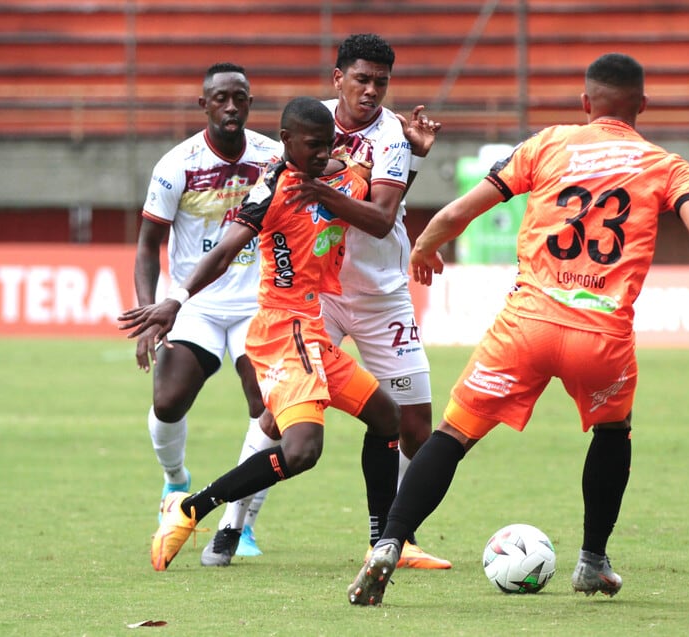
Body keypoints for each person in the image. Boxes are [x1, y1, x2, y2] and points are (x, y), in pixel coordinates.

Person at [348, 52, 689, 605]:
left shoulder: (548, 143)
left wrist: (426, 244)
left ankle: (389, 544)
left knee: (451, 436)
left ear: (584, 103)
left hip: (526, 326)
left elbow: (458, 213)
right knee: (613, 432)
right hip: (601, 336)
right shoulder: (668, 165)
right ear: (642, 105)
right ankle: (592, 562)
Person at [119, 96, 403, 572]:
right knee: (303, 450)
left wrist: (410, 153)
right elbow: (226, 250)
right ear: (286, 141)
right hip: (280, 328)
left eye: (325, 145)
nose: (319, 153)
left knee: (387, 418)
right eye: (310, 146)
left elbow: (381, 210)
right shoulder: (271, 188)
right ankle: (191, 508)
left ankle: (383, 544)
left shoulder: (344, 172)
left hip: (312, 325)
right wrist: (177, 298)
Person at [203, 32, 452, 570]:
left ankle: (394, 539)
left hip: (382, 295)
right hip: (318, 298)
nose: (371, 91)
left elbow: (384, 217)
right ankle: (229, 528)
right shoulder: (308, 129)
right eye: (361, 79)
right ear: (338, 77)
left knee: (413, 425)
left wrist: (408, 166)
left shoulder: (392, 136)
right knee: (276, 421)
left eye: (381, 82)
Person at [132, 62, 281, 527]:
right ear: (204, 105)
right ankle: (175, 480)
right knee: (167, 400)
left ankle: (240, 521)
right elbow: (146, 245)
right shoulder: (177, 164)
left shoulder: (274, 157)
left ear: (250, 103)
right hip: (193, 301)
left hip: (258, 302)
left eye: (240, 97)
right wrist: (151, 310)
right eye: (221, 98)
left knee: (268, 406)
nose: (231, 106)